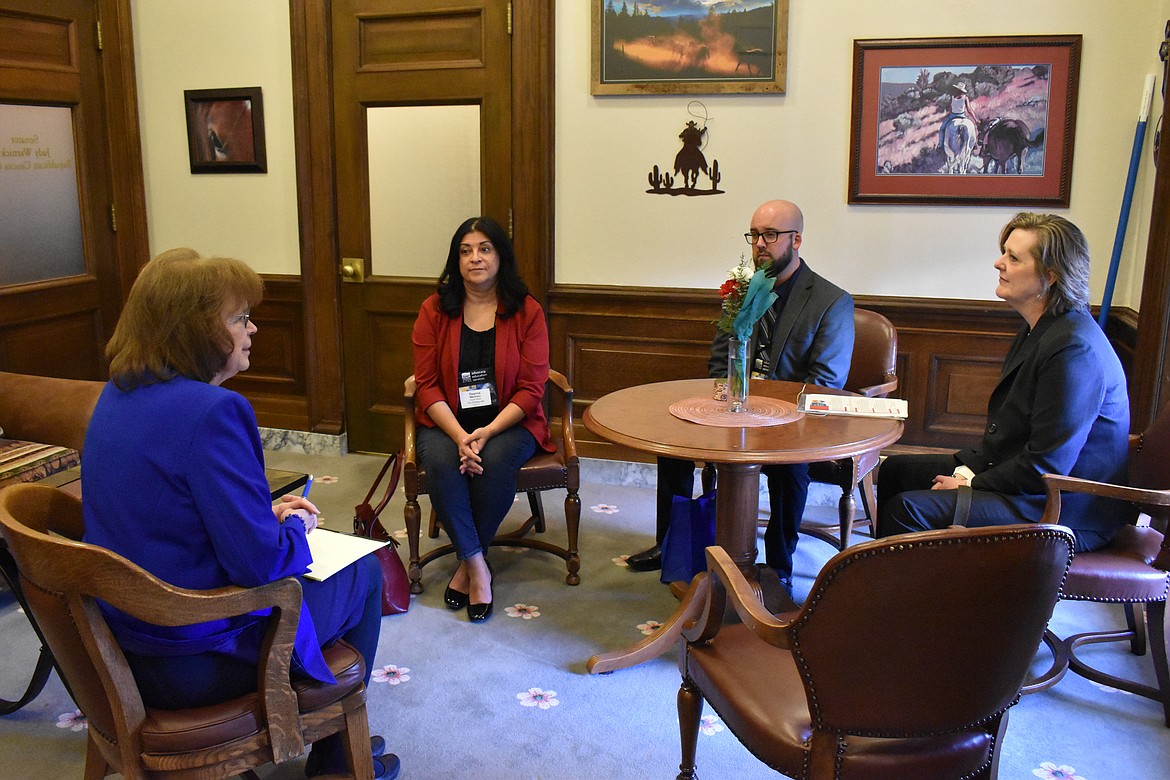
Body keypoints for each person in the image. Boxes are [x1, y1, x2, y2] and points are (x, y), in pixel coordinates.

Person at [81, 249, 398, 779]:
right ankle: (338, 759)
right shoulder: (215, 412)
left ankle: (327, 733)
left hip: (122, 643)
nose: (252, 328)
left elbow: (164, 509)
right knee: (363, 569)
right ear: (196, 330)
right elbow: (261, 567)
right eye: (238, 317)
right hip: (192, 659)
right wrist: (295, 525)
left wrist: (258, 510)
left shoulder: (116, 395)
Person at [625, 200, 855, 589]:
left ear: (797, 239)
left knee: (791, 469)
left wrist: (767, 409)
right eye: (754, 235)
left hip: (790, 424)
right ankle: (671, 545)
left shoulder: (831, 301)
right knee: (671, 447)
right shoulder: (743, 291)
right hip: (733, 410)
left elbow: (824, 382)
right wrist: (723, 395)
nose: (760, 244)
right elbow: (720, 357)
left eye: (770, 235)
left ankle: (779, 565)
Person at [876, 213, 1132, 551]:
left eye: (1013, 257)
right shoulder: (1040, 328)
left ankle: (917, 600)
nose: (999, 263)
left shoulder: (1075, 349)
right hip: (1031, 485)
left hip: (1063, 508)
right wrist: (971, 475)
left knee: (907, 509)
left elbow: (1047, 466)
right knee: (896, 471)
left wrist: (971, 482)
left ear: (1050, 276)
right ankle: (898, 590)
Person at [412, 216, 554, 623]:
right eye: (465, 250)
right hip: (447, 421)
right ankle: (477, 566)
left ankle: (465, 565)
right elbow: (426, 384)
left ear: (500, 256)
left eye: (484, 248)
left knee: (494, 462)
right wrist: (460, 436)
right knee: (441, 462)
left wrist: (487, 432)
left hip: (510, 422)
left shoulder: (527, 311)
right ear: (456, 260)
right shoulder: (434, 310)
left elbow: (531, 388)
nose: (475, 258)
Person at [939, 82, 979, 150]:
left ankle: (941, 145)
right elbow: (969, 109)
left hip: (953, 116)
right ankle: (974, 144)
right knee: (972, 127)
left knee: (942, 129)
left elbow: (949, 108)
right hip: (962, 116)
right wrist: (975, 119)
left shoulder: (952, 98)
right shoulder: (965, 98)